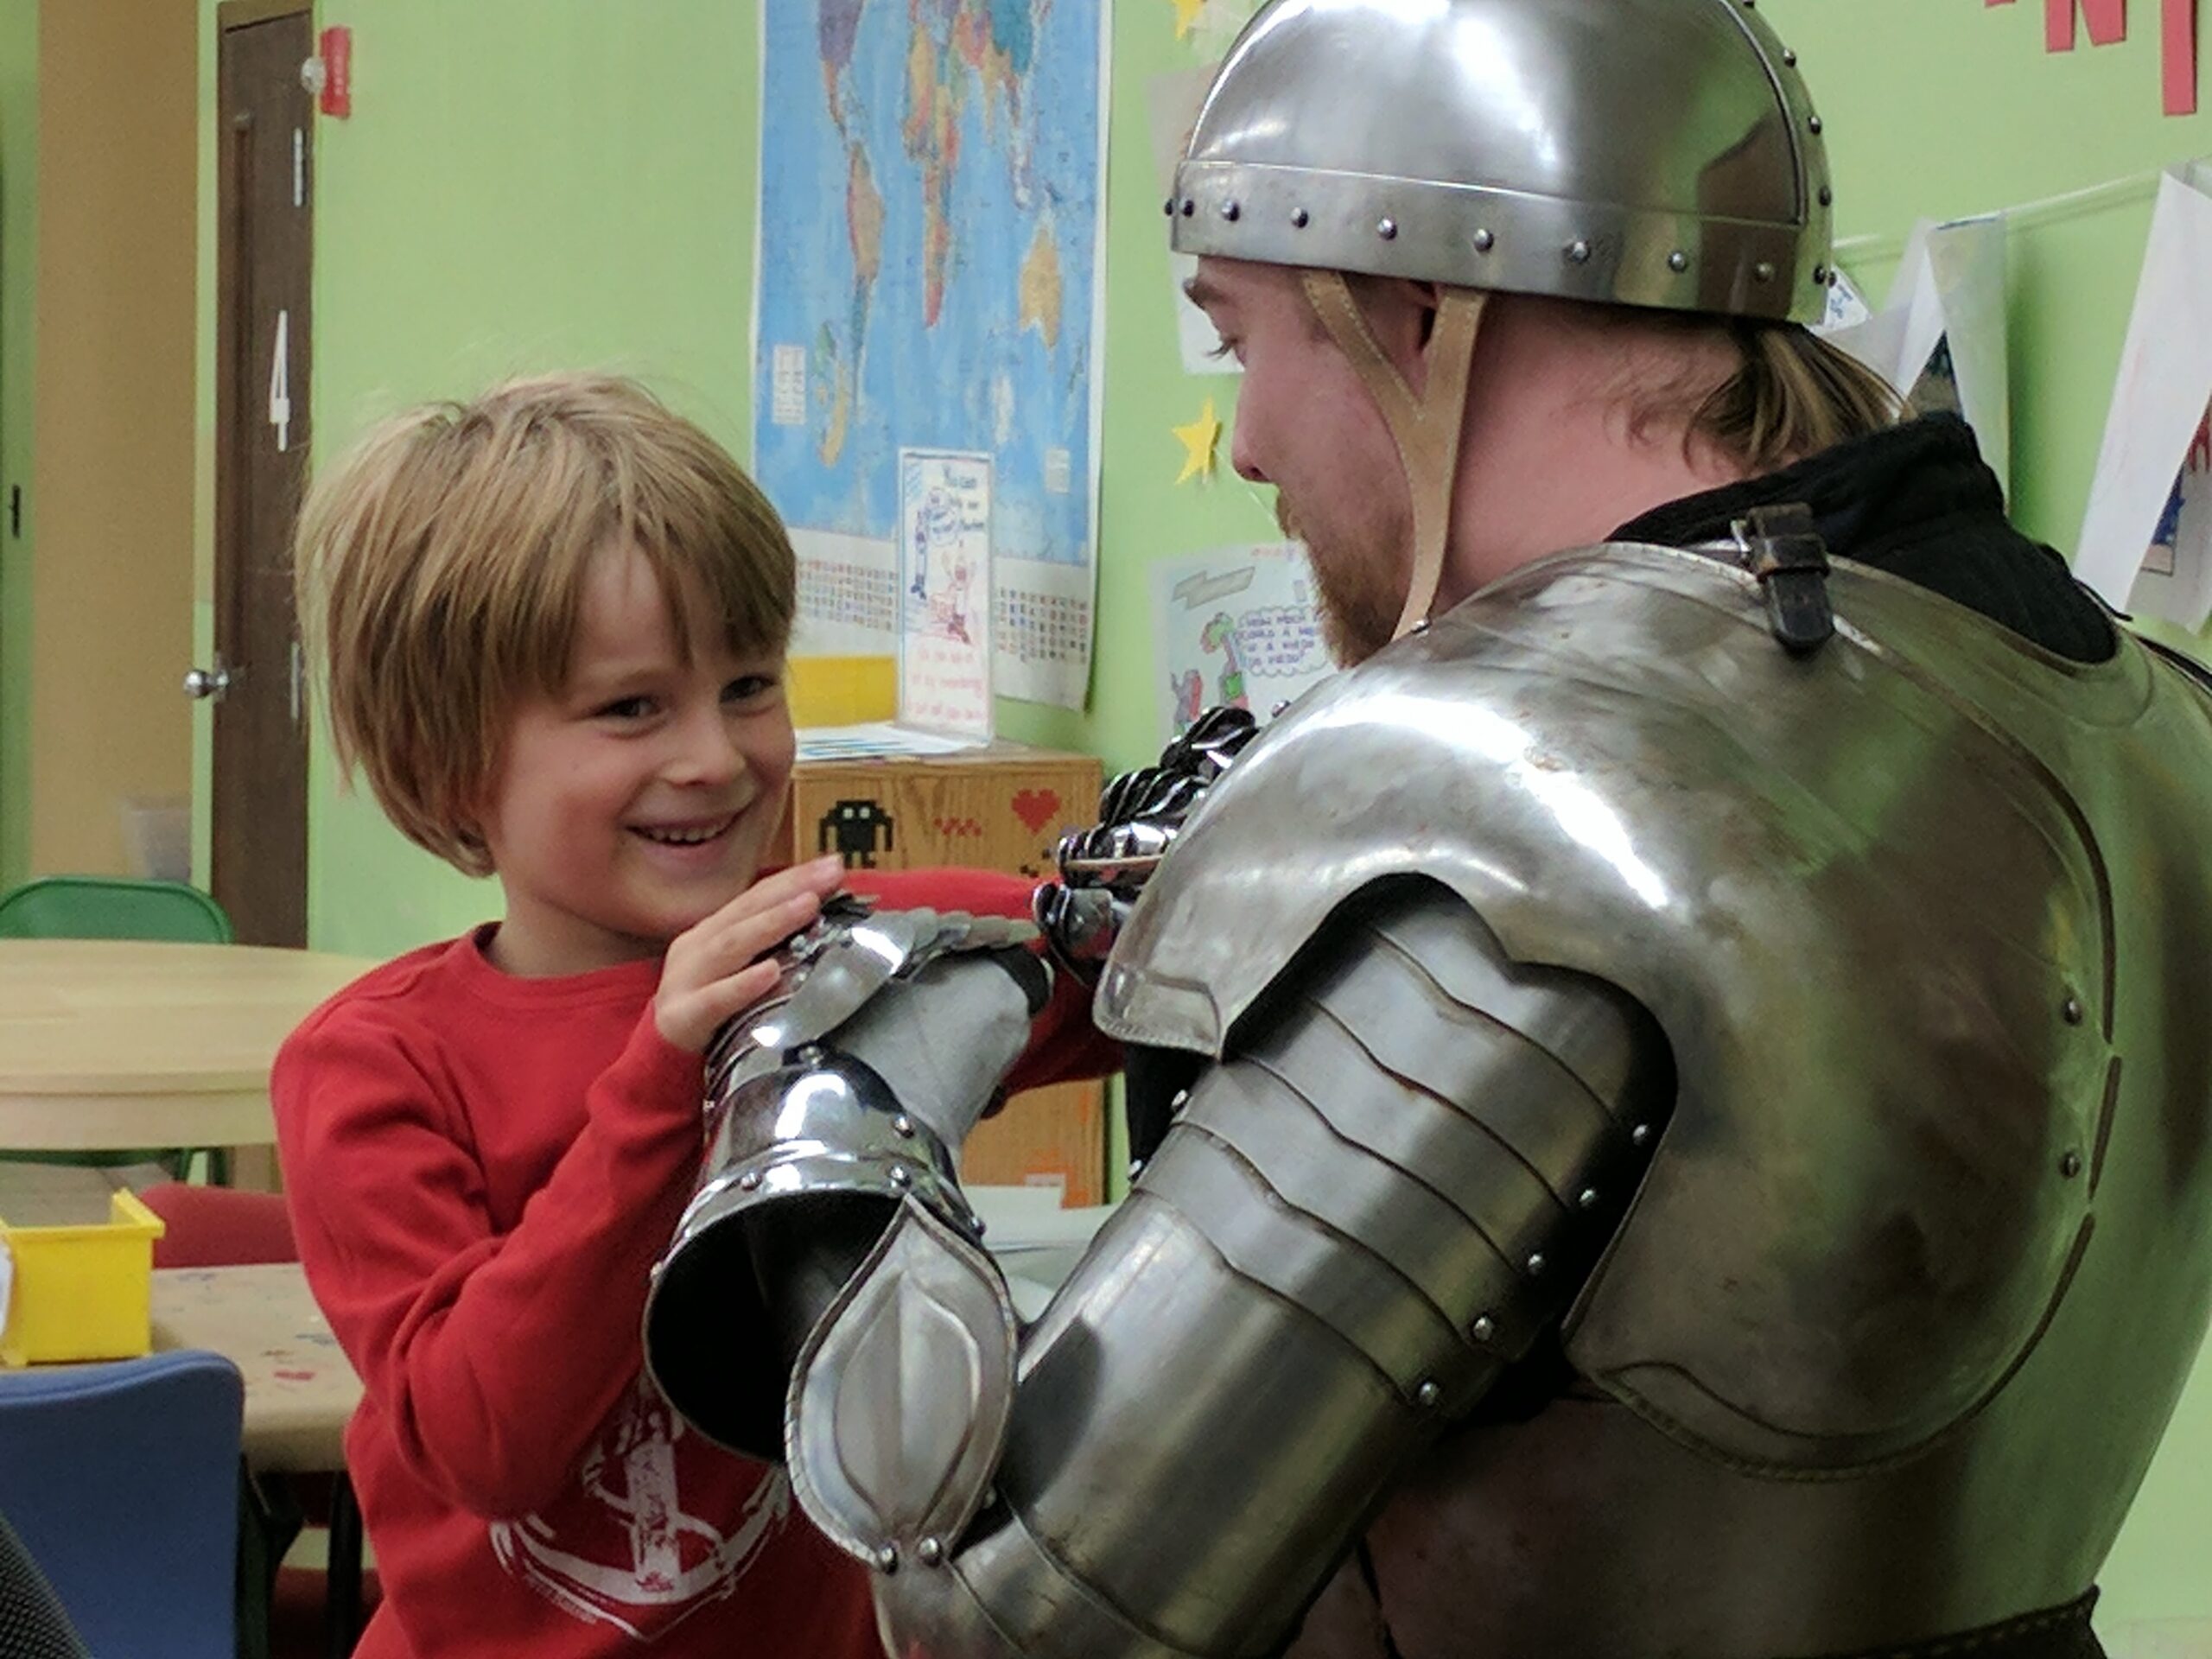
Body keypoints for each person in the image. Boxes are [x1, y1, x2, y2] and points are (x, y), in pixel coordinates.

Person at [639, 2, 2212, 1656]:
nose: (1243, 440)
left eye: (1243, 340)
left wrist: (823, 1101)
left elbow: (1022, 1615)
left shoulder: (1526, 793)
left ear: (1413, 308)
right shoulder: (2141, 717)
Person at [276, 372, 1103, 1659]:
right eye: (629, 708)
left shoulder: (848, 951)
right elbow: (484, 1440)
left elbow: (1144, 966)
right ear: (451, 763)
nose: (715, 757)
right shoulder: (374, 1067)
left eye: (748, 685)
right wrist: (667, 1077)